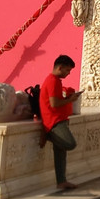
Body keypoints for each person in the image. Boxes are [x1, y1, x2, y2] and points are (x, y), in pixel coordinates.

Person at [39, 54, 84, 190]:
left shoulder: (55, 81)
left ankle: (61, 181)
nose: (68, 73)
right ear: (60, 67)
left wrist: (69, 98)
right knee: (70, 144)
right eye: (67, 70)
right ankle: (50, 136)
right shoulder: (53, 80)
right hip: (54, 121)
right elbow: (54, 103)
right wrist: (70, 100)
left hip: (59, 119)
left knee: (60, 153)